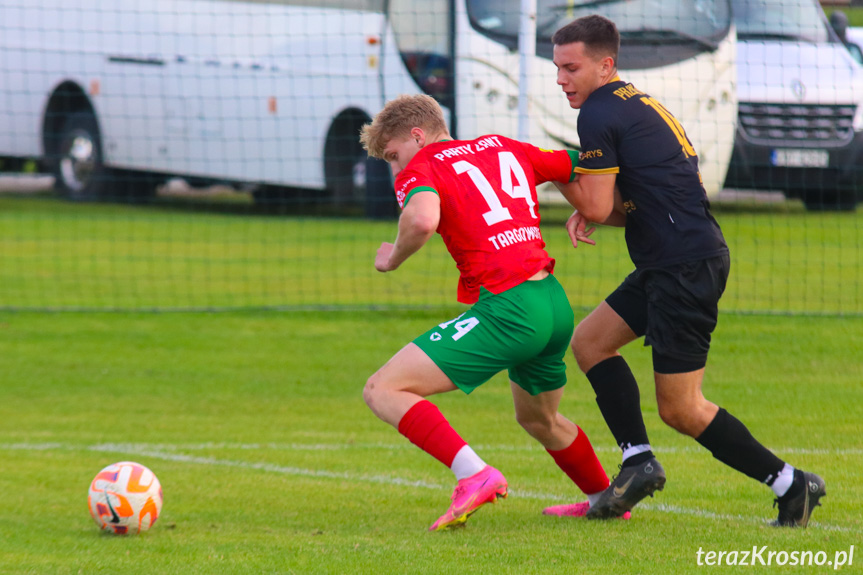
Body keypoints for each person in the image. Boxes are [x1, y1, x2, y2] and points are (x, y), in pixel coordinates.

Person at [549, 14, 825, 527]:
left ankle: (792, 484)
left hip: (684, 265)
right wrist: (587, 202)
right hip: (671, 260)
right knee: (590, 342)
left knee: (681, 408)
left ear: (605, 65)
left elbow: (594, 200)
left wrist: (555, 170)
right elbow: (611, 205)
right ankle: (637, 461)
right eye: (557, 68)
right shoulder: (633, 102)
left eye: (571, 68)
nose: (561, 79)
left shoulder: (599, 114)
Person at [359, 94, 618, 531]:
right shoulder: (502, 145)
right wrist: (587, 207)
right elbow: (580, 164)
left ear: (417, 136)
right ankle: (604, 498)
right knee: (539, 418)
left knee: (382, 388)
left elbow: (422, 221)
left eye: (393, 155)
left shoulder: (424, 166)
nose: (397, 169)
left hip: (510, 308)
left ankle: (474, 474)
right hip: (552, 302)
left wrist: (392, 258)